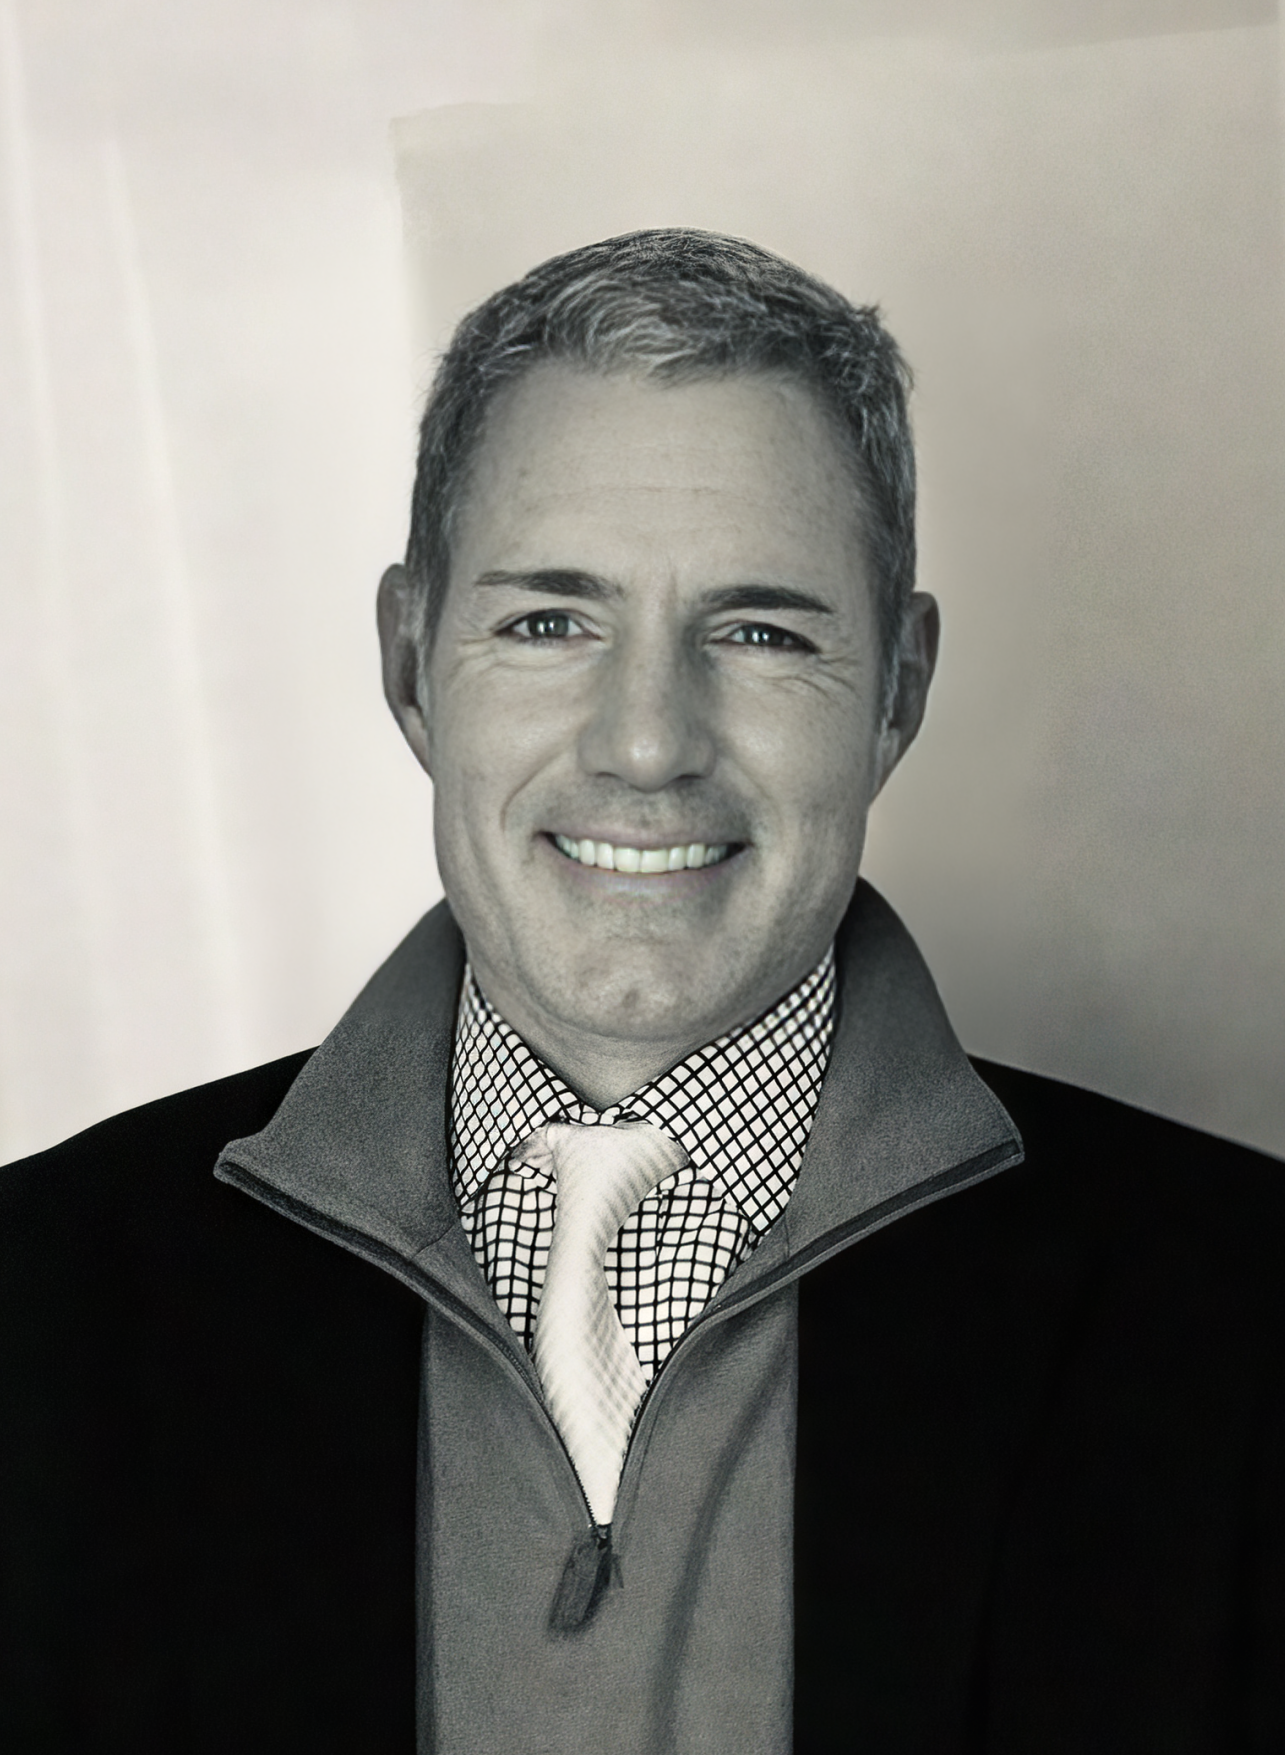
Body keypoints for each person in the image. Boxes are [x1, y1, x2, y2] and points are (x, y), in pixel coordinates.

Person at [1, 229, 1281, 1755]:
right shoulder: (35, 1308)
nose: (649, 742)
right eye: (550, 622)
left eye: (760, 630)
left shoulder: (1248, 1328)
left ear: (899, 689)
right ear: (410, 663)